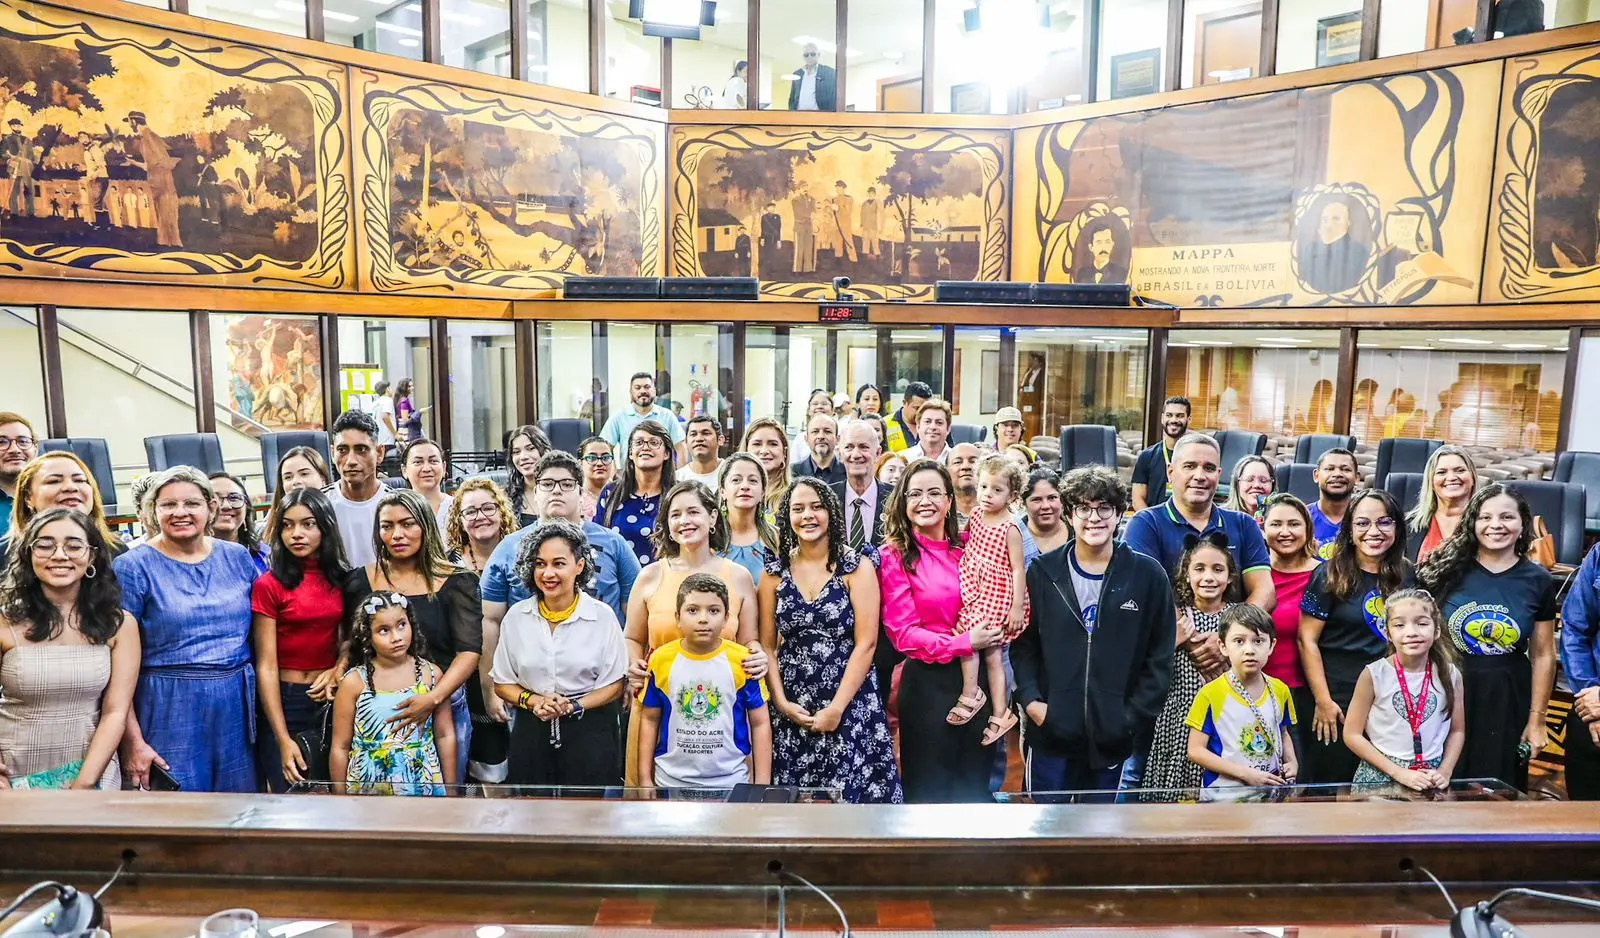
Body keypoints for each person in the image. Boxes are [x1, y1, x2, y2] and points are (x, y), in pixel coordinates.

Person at [1012, 466, 1175, 797]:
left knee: (1101, 827)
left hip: (1113, 736)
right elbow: (1023, 645)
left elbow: (1159, 656)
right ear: (1069, 515)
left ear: (1119, 514)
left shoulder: (1147, 575)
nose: (1094, 518)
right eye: (1084, 508)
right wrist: (1031, 702)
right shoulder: (1043, 571)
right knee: (1046, 825)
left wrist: (1129, 718)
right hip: (1051, 732)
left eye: (1104, 508)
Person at [115, 467, 260, 792]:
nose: (180, 512)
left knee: (240, 811)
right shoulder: (132, 567)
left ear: (211, 507)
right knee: (179, 812)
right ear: (153, 511)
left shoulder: (237, 557)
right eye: (168, 505)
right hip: (167, 707)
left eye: (191, 503)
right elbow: (116, 667)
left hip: (235, 708)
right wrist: (132, 741)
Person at [759, 478, 902, 803]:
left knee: (853, 806)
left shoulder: (856, 567)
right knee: (795, 810)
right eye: (798, 509)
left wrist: (837, 708)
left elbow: (866, 643)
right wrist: (781, 703)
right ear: (787, 517)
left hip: (849, 702)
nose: (807, 516)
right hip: (792, 702)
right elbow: (767, 646)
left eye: (817, 507)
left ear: (831, 512)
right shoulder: (774, 572)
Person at [480, 453, 639, 723]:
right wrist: (490, 688)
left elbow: (635, 618)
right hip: (528, 695)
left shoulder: (614, 544)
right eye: (547, 484)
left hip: (600, 692)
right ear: (535, 492)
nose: (556, 490)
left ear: (581, 492)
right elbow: (490, 620)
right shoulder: (508, 548)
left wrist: (628, 676)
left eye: (566, 484)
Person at [879, 460, 1005, 802]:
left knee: (974, 791)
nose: (925, 501)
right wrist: (963, 642)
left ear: (949, 500)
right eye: (915, 494)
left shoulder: (969, 548)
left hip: (977, 682)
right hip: (927, 686)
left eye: (934, 493)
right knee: (927, 794)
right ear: (903, 502)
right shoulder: (893, 555)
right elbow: (903, 633)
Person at [1417, 484, 1557, 791]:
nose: (1496, 525)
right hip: (1447, 689)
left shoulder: (1538, 580)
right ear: (1472, 522)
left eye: (1507, 517)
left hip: (1506, 696)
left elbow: (1543, 653)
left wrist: (1537, 720)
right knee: (1437, 787)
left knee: (1497, 792)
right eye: (1485, 517)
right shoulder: (1442, 570)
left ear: (1523, 524)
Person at [622, 481, 762, 786]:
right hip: (658, 710)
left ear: (712, 517)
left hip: (721, 717)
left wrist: (757, 655)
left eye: (693, 512)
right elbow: (632, 637)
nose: (684, 521)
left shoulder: (738, 577)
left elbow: (750, 639)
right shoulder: (649, 576)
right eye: (675, 515)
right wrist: (634, 663)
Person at [349, 489, 482, 785]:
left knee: (444, 795)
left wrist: (432, 699)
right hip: (379, 708)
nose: (397, 534)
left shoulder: (458, 581)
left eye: (407, 524)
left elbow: (469, 651)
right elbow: (351, 641)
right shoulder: (359, 580)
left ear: (425, 526)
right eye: (387, 526)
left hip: (443, 701)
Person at [0, 509, 137, 790]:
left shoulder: (119, 625)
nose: (60, 555)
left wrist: (83, 786)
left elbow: (115, 712)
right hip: (13, 775)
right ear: (28, 554)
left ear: (92, 557)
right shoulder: (4, 622)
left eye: (74, 546)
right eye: (45, 545)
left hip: (91, 772)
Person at [491, 522, 628, 787]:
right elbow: (502, 682)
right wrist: (535, 702)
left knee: (586, 808)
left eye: (559, 564)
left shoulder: (602, 616)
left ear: (579, 566)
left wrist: (572, 706)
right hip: (531, 728)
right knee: (532, 806)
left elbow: (615, 684)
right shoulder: (516, 617)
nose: (548, 573)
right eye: (540, 564)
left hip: (590, 729)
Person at [1298, 489, 1413, 784]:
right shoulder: (1328, 574)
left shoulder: (1407, 574)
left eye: (1384, 522)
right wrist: (1323, 700)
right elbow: (1307, 640)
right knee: (1332, 787)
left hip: (1388, 699)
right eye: (1362, 523)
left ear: (1397, 528)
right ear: (1349, 530)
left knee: (1379, 786)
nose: (1374, 531)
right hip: (1338, 700)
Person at [252, 487, 351, 792]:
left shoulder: (343, 578)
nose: (296, 534)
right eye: (287, 525)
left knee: (334, 796)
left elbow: (351, 640)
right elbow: (266, 665)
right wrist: (282, 738)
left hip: (331, 696)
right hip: (285, 699)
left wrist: (337, 669)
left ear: (325, 527)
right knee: (291, 798)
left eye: (308, 524)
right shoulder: (268, 585)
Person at [638, 573, 772, 789]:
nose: (703, 619)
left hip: (731, 781)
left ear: (726, 618)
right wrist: (644, 779)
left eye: (713, 611)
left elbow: (760, 723)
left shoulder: (744, 661)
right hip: (670, 781)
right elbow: (649, 719)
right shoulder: (660, 659)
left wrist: (762, 784)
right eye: (692, 610)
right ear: (677, 617)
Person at [1124, 433, 1274, 610]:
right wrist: (1179, 624)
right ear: (1170, 472)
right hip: (1167, 627)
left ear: (1218, 475)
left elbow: (1264, 592)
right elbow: (1143, 589)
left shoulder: (1244, 524)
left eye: (1209, 468)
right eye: (1189, 466)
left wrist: (1231, 625)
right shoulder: (1145, 524)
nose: (1199, 476)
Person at [1142, 532, 1242, 795]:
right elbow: (1147, 662)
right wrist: (1172, 641)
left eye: (1217, 569)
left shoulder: (1237, 618)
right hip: (1179, 716)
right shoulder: (1173, 616)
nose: (1208, 577)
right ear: (1186, 575)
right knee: (1177, 789)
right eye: (1199, 569)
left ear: (1230, 577)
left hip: (1224, 716)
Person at [330, 592, 454, 795]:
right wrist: (339, 797)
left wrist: (451, 790)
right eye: (384, 630)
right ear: (367, 637)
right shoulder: (354, 682)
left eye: (402, 625)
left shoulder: (431, 675)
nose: (396, 637)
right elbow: (340, 747)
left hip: (421, 782)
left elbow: (445, 735)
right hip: (369, 785)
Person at [1342, 588, 1464, 790]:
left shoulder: (1451, 675)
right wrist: (1399, 772)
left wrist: (1445, 770)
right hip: (1379, 777)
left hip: (1430, 777)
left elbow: (1457, 730)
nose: (1412, 632)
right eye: (1399, 625)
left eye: (1422, 623)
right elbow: (1352, 734)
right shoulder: (1374, 674)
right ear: (1387, 633)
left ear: (1437, 630)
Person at [953, 456, 1029, 747]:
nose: (987, 494)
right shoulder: (975, 515)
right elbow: (969, 543)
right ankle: (983, 700)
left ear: (1011, 495)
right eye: (984, 486)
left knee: (990, 652)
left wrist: (1017, 606)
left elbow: (1018, 568)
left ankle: (987, 704)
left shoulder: (1010, 527)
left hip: (998, 593)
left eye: (997, 490)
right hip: (976, 588)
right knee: (972, 641)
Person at [1185, 605, 1298, 791]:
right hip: (1223, 796)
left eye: (1258, 641)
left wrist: (1292, 762)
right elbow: (1195, 751)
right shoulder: (1209, 694)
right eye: (1239, 641)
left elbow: (1283, 733)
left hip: (1268, 794)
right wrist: (1245, 774)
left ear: (1271, 646)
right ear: (1223, 646)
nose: (1249, 650)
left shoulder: (1280, 690)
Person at [1, 451, 123, 578]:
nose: (71, 487)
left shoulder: (119, 552)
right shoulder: (3, 556)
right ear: (28, 497)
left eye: (80, 480)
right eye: (54, 481)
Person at [1262, 494, 1319, 758]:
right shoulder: (1253, 576)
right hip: (1258, 687)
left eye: (1294, 524)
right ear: (1263, 528)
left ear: (1307, 529)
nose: (1285, 532)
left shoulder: (1326, 575)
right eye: (1276, 524)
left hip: (1306, 693)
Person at [598, 420, 676, 567]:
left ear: (666, 453)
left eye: (654, 443)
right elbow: (597, 543)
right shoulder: (610, 493)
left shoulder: (678, 495)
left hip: (665, 577)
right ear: (630, 453)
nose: (645, 447)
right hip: (618, 578)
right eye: (639, 442)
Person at [324, 409, 392, 568]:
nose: (351, 461)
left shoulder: (397, 505)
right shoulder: (320, 504)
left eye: (361, 449)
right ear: (332, 453)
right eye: (342, 450)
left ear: (379, 453)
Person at [1560, 540, 1600, 801]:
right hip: (1592, 708)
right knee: (1583, 813)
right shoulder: (1599, 555)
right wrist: (1590, 694)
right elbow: (1575, 628)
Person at [1405, 445, 1477, 564]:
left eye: (1460, 470)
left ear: (1472, 477)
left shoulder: (1488, 523)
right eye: (1441, 472)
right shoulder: (1409, 524)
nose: (1451, 477)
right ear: (1431, 481)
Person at [718, 453, 778, 587]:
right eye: (736, 480)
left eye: (753, 480)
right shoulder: (710, 539)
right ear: (722, 491)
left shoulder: (776, 538)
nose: (745, 486)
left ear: (763, 492)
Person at [601, 373, 685, 465]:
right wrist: (613, 472)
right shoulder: (619, 417)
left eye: (647, 387)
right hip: (628, 473)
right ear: (631, 392)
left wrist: (680, 473)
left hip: (662, 473)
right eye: (637, 388)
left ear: (654, 391)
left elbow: (681, 448)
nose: (643, 391)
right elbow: (604, 449)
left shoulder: (667, 416)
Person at [832, 421, 891, 551]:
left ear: (878, 453)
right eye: (849, 447)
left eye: (864, 447)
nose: (856, 455)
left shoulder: (895, 498)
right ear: (840, 454)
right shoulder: (827, 497)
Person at [444, 477, 517, 575]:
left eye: (488, 508)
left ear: (502, 513)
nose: (480, 517)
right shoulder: (447, 565)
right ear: (460, 520)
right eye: (470, 512)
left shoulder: (522, 555)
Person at [1131, 397, 1191, 511]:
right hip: (1153, 519)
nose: (1174, 420)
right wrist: (1152, 520)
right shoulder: (1146, 456)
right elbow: (1137, 499)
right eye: (1169, 415)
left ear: (1189, 419)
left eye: (1180, 416)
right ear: (1162, 418)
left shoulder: (1196, 457)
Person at [209, 472, 268, 575]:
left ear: (246, 508)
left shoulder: (267, 556)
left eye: (234, 498)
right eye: (215, 499)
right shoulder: (185, 560)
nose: (226, 506)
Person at [265, 444, 331, 534]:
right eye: (288, 477)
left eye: (304, 474)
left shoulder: (338, 510)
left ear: (323, 478)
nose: (296, 481)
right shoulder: (272, 521)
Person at [1308, 448, 1359, 557]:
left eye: (1346, 469)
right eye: (1329, 469)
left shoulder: (1367, 520)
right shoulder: (1302, 517)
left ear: (1357, 478)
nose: (1337, 474)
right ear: (1316, 476)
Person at [1019, 468, 1071, 567]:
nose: (1046, 506)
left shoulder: (1078, 532)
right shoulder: (1014, 535)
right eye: (1037, 499)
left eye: (1052, 498)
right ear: (1023, 502)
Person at [504, 424, 553, 528]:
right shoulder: (505, 498)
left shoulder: (562, 491)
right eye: (516, 452)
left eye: (530, 449)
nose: (523, 457)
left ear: (546, 452)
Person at [741, 416, 791, 517]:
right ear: (746, 450)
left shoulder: (795, 495)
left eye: (773, 444)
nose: (764, 451)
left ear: (784, 452)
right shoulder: (732, 493)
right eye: (757, 444)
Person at [0, 411, 39, 539]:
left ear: (35, 449)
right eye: (1, 442)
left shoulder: (55, 496)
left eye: (23, 441)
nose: (15, 450)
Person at [401, 438, 452, 529]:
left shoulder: (459, 507)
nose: (427, 469)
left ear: (444, 468)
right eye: (418, 462)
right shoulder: (396, 510)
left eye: (433, 461)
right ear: (404, 470)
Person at [791, 413, 845, 486]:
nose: (821, 436)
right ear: (806, 439)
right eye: (815, 431)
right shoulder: (792, 472)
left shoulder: (847, 472)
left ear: (837, 439)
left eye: (827, 431)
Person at [788, 389, 836, 465]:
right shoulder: (800, 439)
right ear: (809, 410)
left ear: (833, 410)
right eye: (815, 404)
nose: (819, 406)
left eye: (824, 404)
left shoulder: (843, 435)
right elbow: (793, 466)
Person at [787, 41, 837, 111]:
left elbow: (833, 98)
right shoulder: (797, 74)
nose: (809, 57)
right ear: (803, 57)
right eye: (806, 55)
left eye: (813, 54)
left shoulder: (829, 73)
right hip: (799, 115)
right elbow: (792, 98)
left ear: (819, 55)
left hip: (820, 115)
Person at [677, 415, 725, 487]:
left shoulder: (731, 472)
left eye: (706, 433)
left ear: (720, 440)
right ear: (686, 442)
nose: (699, 439)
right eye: (693, 434)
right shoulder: (678, 479)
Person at [884, 381, 930, 453]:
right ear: (904, 403)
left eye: (925, 409)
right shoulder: (885, 424)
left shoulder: (933, 425)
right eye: (917, 408)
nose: (921, 413)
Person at [903, 398, 953, 464]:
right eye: (927, 421)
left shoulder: (956, 459)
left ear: (948, 429)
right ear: (918, 427)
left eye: (939, 422)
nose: (933, 427)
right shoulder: (903, 459)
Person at [579, 436, 614, 522]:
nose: (599, 463)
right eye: (592, 458)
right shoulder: (575, 497)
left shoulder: (623, 493)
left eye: (606, 458)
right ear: (580, 463)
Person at [948, 443, 981, 523]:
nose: (966, 466)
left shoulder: (1000, 511)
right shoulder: (940, 512)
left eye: (973, 461)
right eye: (957, 462)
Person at [368, 380, 398, 455]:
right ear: (387, 389)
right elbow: (385, 417)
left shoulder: (375, 403)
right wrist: (395, 434)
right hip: (387, 439)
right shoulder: (388, 400)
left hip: (378, 439)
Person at [394, 378, 425, 443]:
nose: (412, 388)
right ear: (404, 388)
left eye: (412, 386)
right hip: (407, 431)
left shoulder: (399, 399)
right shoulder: (404, 401)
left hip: (402, 430)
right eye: (409, 386)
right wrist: (419, 412)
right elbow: (405, 419)